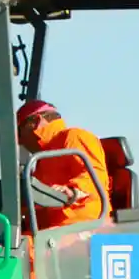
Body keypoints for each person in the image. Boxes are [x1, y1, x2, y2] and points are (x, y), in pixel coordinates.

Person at [16, 99, 109, 231]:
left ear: (34, 122)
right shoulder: (43, 158)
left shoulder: (75, 137)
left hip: (83, 226)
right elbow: (38, 197)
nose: (20, 141)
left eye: (19, 133)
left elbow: (95, 176)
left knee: (22, 249)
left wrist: (73, 190)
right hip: (53, 230)